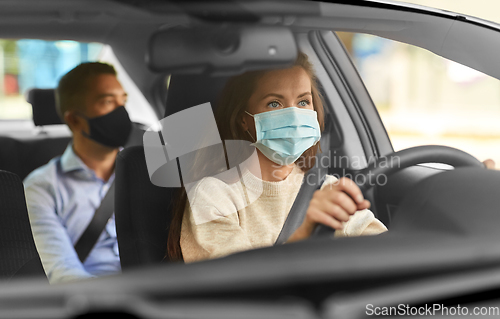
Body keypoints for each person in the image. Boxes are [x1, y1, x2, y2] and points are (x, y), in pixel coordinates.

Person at [166, 52, 388, 263]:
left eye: (303, 102)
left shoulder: (325, 189)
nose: (293, 115)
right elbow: (239, 284)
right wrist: (306, 230)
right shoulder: (213, 195)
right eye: (274, 103)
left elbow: (388, 252)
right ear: (244, 119)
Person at [24, 62, 132, 283]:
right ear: (74, 119)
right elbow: (64, 274)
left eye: (123, 100)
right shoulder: (41, 189)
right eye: (108, 101)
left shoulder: (150, 171)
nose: (122, 111)